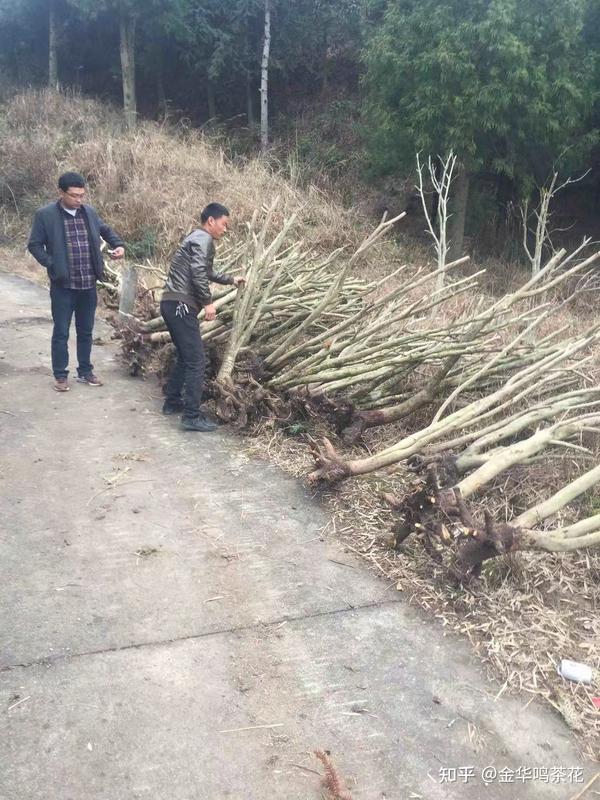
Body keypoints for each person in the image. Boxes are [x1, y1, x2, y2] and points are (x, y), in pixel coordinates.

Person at [28, 171, 125, 392]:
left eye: (82, 195)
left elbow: (105, 230)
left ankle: (85, 371)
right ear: (61, 192)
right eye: (74, 196)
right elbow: (34, 245)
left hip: (88, 284)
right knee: (61, 331)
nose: (79, 200)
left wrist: (117, 244)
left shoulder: (88, 212)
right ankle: (61, 375)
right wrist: (52, 263)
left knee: (86, 330)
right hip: (63, 286)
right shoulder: (46, 215)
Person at [160, 202, 244, 432]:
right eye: (224, 224)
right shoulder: (202, 239)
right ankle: (191, 416)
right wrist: (208, 303)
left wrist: (230, 279)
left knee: (186, 357)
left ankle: (172, 401)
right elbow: (198, 273)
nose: (225, 230)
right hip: (181, 305)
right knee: (197, 360)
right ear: (211, 221)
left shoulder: (194, 239)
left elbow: (205, 271)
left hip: (170, 302)